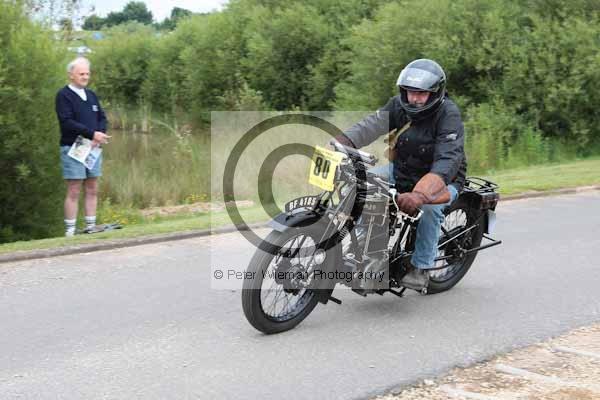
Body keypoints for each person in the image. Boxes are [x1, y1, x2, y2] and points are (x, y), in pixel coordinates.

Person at [335, 59, 467, 291]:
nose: (414, 98)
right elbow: (371, 125)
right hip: (403, 170)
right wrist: (342, 142)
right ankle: (368, 247)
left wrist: (420, 194)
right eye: (410, 92)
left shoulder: (448, 114)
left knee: (430, 210)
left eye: (421, 93)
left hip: (441, 178)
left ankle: (421, 267)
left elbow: (448, 160)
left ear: (435, 92)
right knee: (364, 186)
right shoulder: (398, 105)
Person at [55, 57, 110, 236]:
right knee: (74, 189)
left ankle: (90, 226)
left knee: (92, 187)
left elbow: (102, 117)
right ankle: (70, 231)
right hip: (74, 148)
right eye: (81, 74)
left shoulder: (91, 95)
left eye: (87, 73)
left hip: (93, 147)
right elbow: (66, 122)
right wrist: (91, 134)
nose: (85, 77)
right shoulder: (63, 95)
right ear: (71, 75)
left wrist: (99, 135)